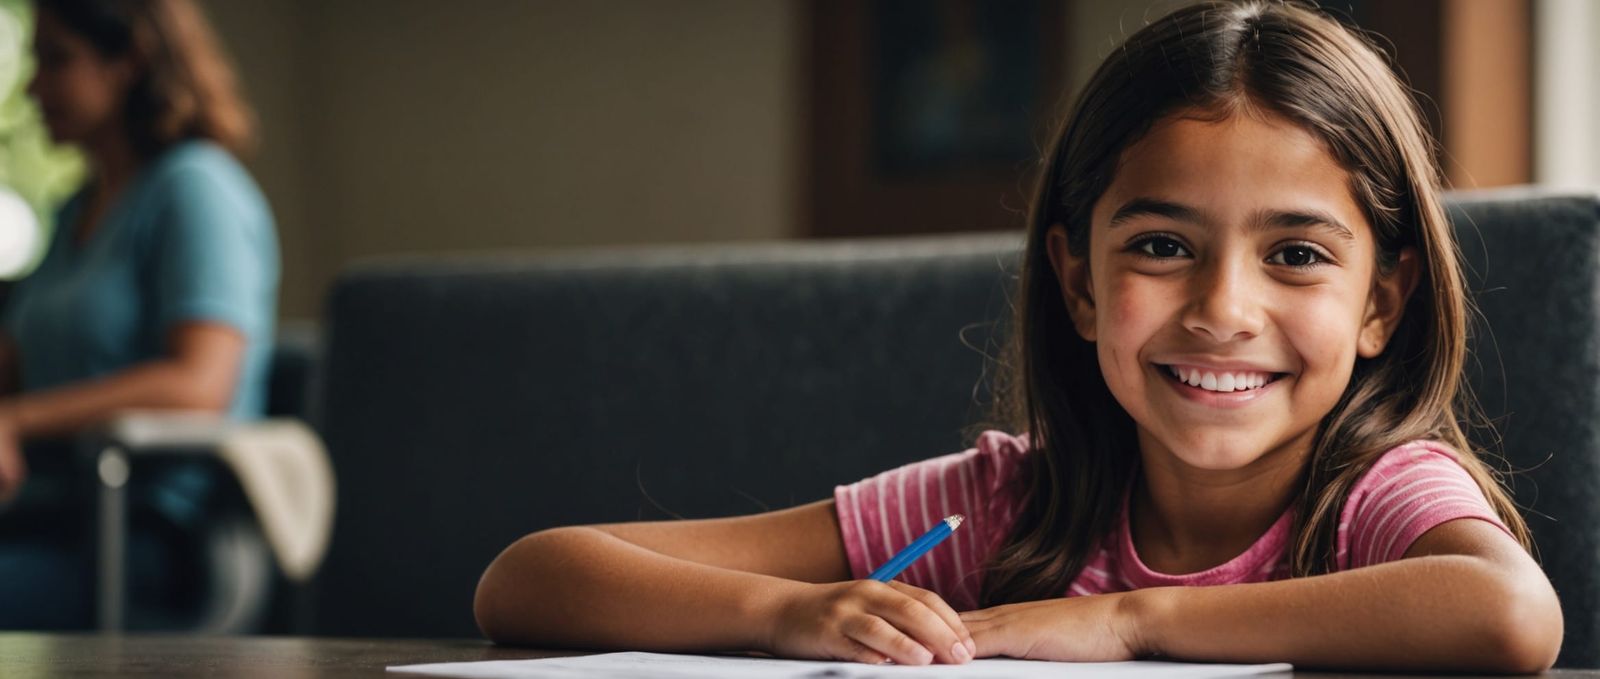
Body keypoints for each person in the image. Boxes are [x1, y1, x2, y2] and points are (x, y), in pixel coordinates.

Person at [471, 1, 1562, 672]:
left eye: (1297, 255)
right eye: (1162, 248)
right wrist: (794, 612)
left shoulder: (1380, 495)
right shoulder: (999, 505)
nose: (1224, 309)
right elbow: (532, 576)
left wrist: (1130, 625)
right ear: (1076, 284)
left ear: (1384, 301)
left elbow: (1508, 613)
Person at [0, 0, 277, 629]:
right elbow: (15, 359)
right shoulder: (75, 211)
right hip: (45, 519)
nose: (33, 86)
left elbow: (198, 386)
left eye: (57, 59)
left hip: (149, 539)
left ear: (130, 60)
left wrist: (15, 420)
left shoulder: (195, 188)